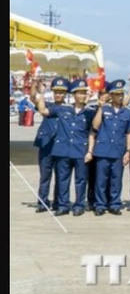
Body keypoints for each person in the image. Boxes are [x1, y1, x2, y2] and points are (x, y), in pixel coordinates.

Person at [35, 78, 96, 216]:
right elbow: (43, 110)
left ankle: (79, 205)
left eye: (84, 93)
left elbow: (93, 131)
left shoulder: (90, 112)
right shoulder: (63, 109)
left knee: (80, 180)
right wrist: (42, 93)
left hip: (81, 151)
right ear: (73, 95)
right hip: (63, 151)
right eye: (79, 93)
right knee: (62, 180)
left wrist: (90, 151)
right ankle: (63, 205)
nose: (82, 95)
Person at [87, 79, 130, 216]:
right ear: (111, 96)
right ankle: (100, 205)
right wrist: (100, 108)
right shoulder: (104, 109)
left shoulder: (127, 112)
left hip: (118, 150)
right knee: (101, 180)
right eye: (117, 94)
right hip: (103, 150)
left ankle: (114, 204)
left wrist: (128, 151)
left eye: (121, 94)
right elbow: (95, 126)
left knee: (116, 180)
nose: (120, 97)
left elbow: (129, 133)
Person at [33, 76, 68, 212]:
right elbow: (35, 101)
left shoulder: (68, 108)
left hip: (61, 146)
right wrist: (39, 90)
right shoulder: (48, 105)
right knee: (45, 176)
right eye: (56, 92)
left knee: (61, 176)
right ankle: (42, 201)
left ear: (65, 94)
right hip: (46, 145)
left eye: (61, 92)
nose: (58, 94)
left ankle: (58, 202)